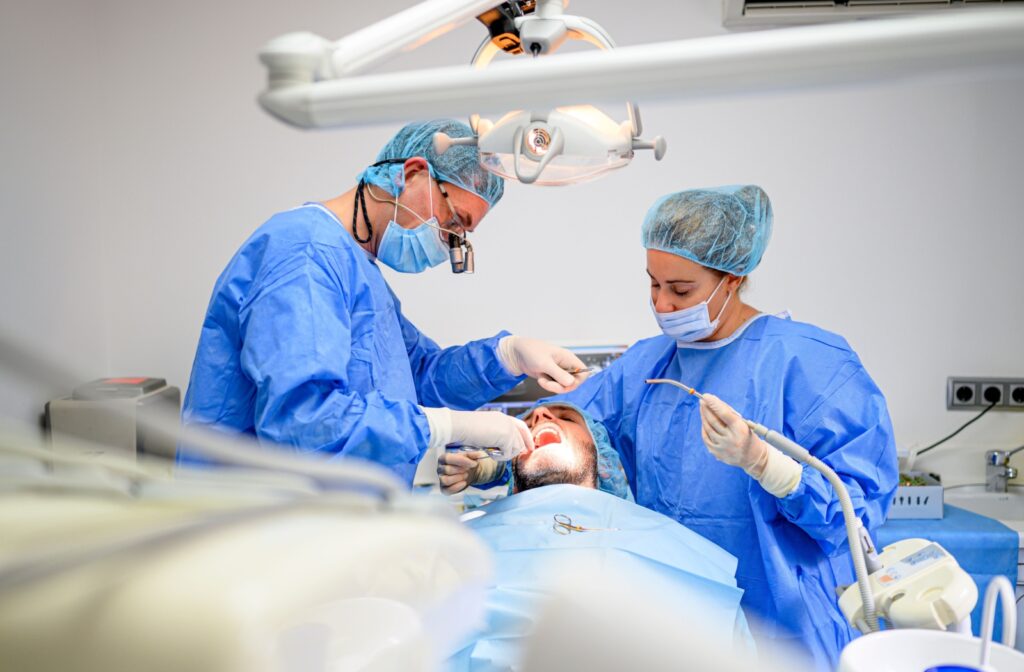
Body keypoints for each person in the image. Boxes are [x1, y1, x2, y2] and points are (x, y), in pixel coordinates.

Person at [439, 185, 899, 670]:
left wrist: (767, 466)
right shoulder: (650, 363)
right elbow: (574, 426)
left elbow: (855, 516)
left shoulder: (811, 363)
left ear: (732, 278)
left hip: (785, 626)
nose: (662, 304)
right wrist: (496, 462)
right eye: (653, 285)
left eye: (681, 290)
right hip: (676, 623)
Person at [178, 119, 588, 482]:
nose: (447, 244)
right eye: (452, 224)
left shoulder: (358, 270)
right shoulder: (304, 256)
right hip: (258, 530)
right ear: (412, 173)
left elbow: (420, 377)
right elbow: (306, 423)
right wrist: (446, 427)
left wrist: (506, 356)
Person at [443, 402, 754, 671]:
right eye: (525, 425)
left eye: (565, 418)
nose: (539, 415)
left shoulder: (672, 545)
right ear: (508, 461)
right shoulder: (454, 542)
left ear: (602, 456)